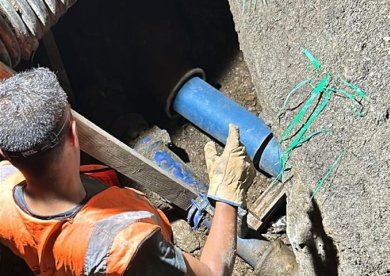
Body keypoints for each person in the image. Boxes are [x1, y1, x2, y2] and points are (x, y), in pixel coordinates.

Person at [0, 68, 255, 275]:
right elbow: (211, 272)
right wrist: (227, 194)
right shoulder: (124, 244)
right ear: (74, 136)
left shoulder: (3, 187)